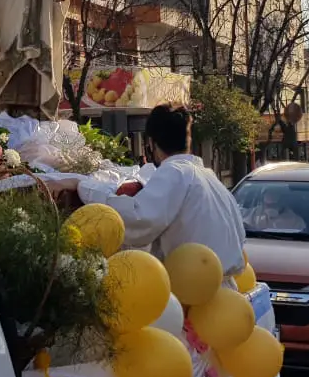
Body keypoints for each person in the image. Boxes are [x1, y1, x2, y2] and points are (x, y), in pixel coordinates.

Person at [46, 104, 246, 279]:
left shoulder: (175, 172)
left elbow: (136, 219)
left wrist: (84, 187)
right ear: (188, 140)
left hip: (196, 295)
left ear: (151, 143)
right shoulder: (211, 178)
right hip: (224, 291)